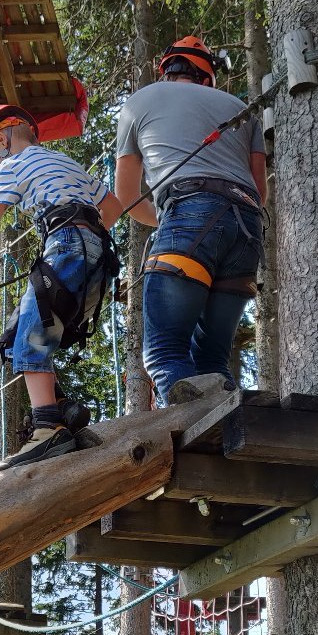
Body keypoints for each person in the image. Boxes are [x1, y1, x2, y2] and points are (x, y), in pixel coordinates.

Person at [0, 105, 122, 470]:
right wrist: (85, 235)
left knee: (30, 337)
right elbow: (112, 206)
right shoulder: (65, 162)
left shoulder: (14, 164)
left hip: (66, 244)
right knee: (23, 332)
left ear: (1, 140)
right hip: (97, 255)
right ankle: (61, 410)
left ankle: (47, 428)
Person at [115, 37, 268, 404]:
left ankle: (201, 442)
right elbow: (260, 191)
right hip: (247, 230)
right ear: (207, 77)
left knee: (165, 352)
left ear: (166, 70)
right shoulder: (240, 108)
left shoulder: (140, 102)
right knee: (213, 360)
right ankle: (234, 435)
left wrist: (174, 225)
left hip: (187, 211)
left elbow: (127, 197)